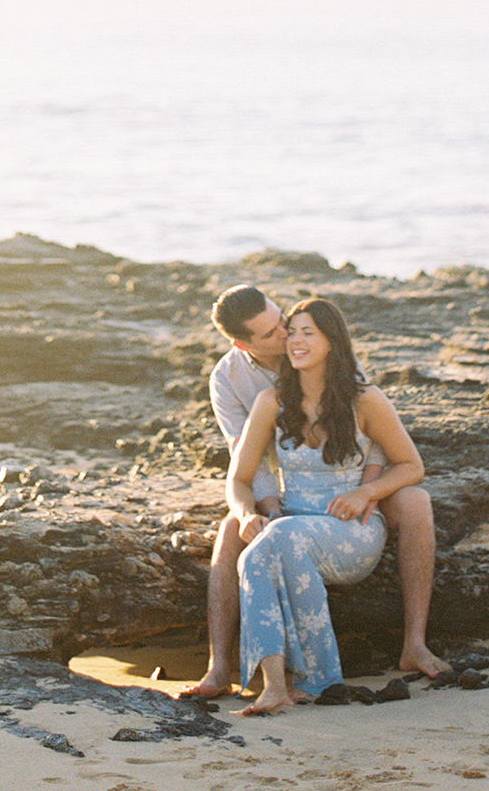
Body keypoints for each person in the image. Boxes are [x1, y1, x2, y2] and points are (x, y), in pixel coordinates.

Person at [179, 283, 447, 699]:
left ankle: (414, 643)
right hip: (288, 491)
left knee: (415, 499)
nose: (289, 336)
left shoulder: (335, 364)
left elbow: (372, 438)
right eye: (274, 334)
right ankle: (224, 671)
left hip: (347, 496)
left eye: (286, 322)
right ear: (242, 343)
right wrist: (262, 512)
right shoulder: (233, 382)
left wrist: (365, 492)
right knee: (236, 530)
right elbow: (243, 465)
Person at [227, 296, 425, 714]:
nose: (294, 341)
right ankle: (276, 686)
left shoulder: (365, 399)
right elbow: (239, 479)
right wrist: (246, 514)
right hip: (293, 527)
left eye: (307, 333)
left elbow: (411, 466)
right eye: (291, 332)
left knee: (278, 536)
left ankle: (316, 677)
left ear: (332, 341)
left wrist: (364, 493)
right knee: (253, 555)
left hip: (351, 532)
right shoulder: (271, 402)